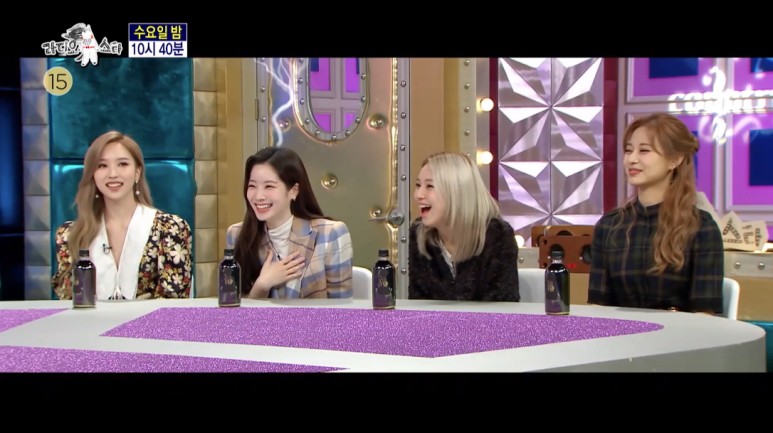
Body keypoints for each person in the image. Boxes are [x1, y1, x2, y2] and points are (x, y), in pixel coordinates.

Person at [588, 113, 724, 313]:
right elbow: (598, 307)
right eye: (628, 150)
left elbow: (705, 314)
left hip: (681, 331)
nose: (632, 159)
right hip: (622, 331)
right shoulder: (610, 226)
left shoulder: (701, 228)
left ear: (674, 160)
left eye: (644, 151)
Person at [51, 131, 193, 300]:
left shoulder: (170, 229)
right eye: (102, 165)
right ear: (93, 174)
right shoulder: (71, 234)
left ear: (137, 172)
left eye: (123, 164)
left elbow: (173, 302)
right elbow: (69, 301)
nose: (112, 174)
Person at [225, 147, 353, 299]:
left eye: (269, 186)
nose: (258, 196)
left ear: (293, 190)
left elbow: (341, 309)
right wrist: (262, 286)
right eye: (252, 186)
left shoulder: (330, 234)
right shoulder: (237, 234)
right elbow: (231, 309)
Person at [409, 151, 520, 301]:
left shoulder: (497, 236)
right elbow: (418, 304)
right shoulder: (417, 234)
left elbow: (502, 306)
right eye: (418, 185)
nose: (418, 195)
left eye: (429, 186)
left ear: (456, 191)